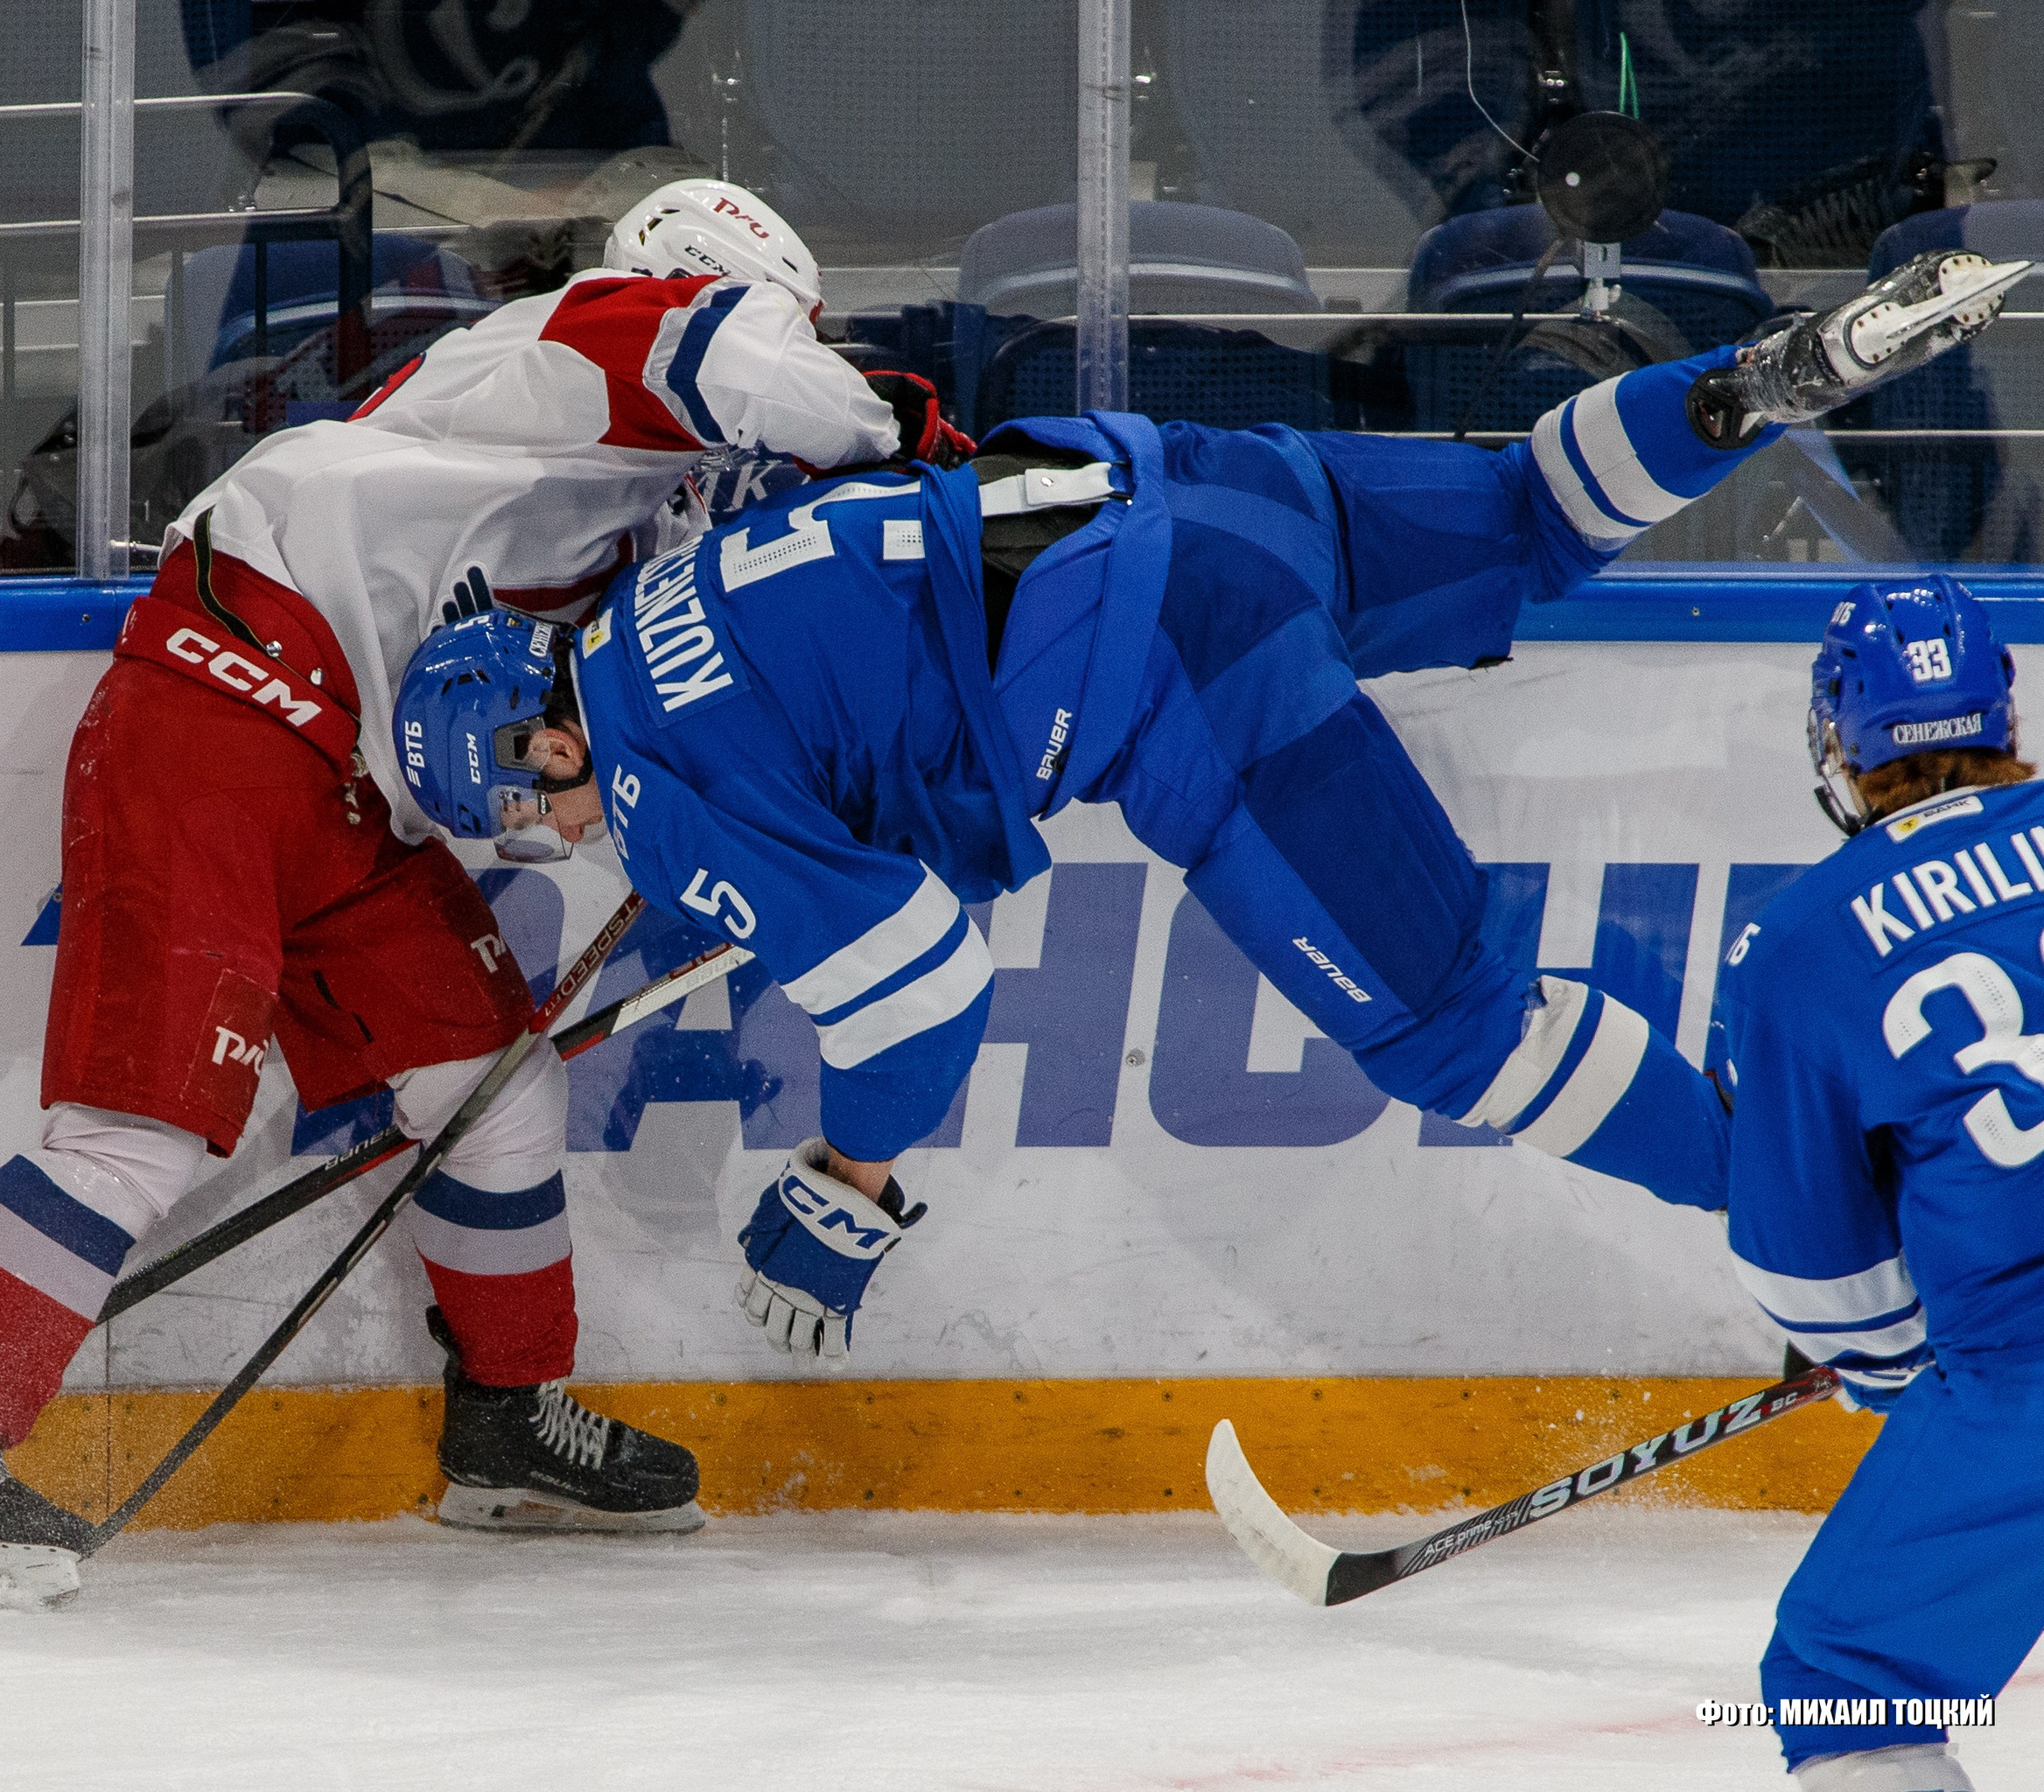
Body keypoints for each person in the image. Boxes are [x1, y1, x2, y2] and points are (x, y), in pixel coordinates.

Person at [390, 248, 2024, 1368]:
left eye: (532, 821)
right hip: (1181, 483)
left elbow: (924, 998)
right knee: (1531, 513)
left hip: (1179, 655)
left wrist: (848, 1178)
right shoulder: (652, 607)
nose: (563, 845)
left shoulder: (662, 798)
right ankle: (1753, 383)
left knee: (1458, 1033)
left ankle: (1862, 1233)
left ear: (541, 751)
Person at [0, 178, 956, 1610]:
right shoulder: (603, 333)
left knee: (497, 1086)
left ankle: (506, 1431)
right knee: (141, 1129)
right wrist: (897, 444)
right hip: (224, 714)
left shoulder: (607, 480)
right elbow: (748, 367)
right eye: (789, 326)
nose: (786, 361)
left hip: (353, 792)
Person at [1712, 577, 2044, 1792]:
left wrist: (1891, 1372)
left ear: (1839, 737)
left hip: (2031, 1374)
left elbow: (1820, 1275)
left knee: (1848, 1681)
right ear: (2001, 712)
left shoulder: (1800, 942)